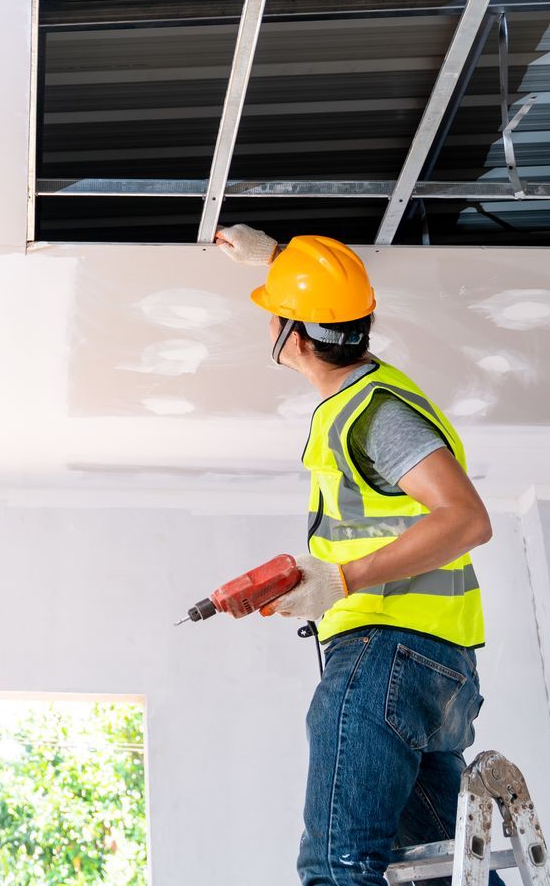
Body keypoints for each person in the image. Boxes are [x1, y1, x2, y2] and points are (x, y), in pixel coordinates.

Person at [214, 225, 498, 886]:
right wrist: (279, 260)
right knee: (440, 873)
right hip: (435, 670)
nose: (268, 324)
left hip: (385, 657)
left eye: (276, 313)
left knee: (337, 868)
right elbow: (329, 305)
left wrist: (341, 579)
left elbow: (467, 518)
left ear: (294, 337)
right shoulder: (371, 391)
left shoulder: (371, 414)